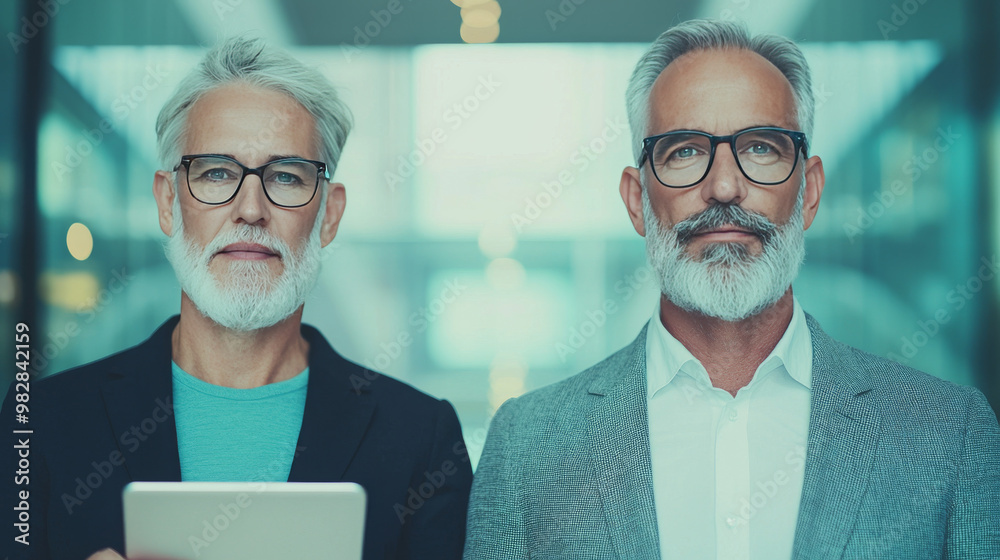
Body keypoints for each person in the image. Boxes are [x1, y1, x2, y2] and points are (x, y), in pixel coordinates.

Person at [464, 19, 1000, 560]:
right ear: (636, 202)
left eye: (762, 148)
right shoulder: (527, 447)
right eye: (684, 152)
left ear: (809, 192)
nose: (724, 186)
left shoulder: (949, 435)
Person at [2, 36, 471, 560]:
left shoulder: (420, 439)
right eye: (217, 172)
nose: (250, 208)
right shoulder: (42, 422)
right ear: (167, 202)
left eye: (287, 177)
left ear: (329, 215)